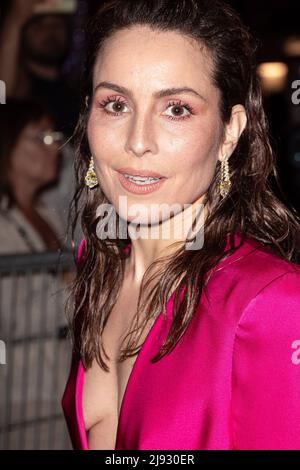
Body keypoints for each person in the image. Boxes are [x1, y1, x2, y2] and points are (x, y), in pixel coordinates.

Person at [61, 0, 300, 451]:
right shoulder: (99, 266)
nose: (137, 142)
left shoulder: (271, 304)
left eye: (176, 109)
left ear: (230, 132)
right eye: (115, 104)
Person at [0, 99, 72, 449]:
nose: (54, 145)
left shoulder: (49, 213)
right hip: (19, 398)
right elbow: (12, 318)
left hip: (60, 387)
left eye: (54, 134)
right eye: (40, 136)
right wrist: (76, 291)